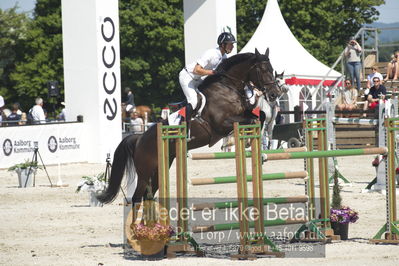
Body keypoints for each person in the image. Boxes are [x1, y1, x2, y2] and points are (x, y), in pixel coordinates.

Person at [179, 32, 236, 139]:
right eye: (230, 44)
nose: (232, 46)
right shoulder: (211, 53)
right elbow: (197, 69)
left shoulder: (224, 57)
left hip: (197, 79)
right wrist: (213, 73)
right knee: (194, 101)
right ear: (222, 44)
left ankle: (184, 106)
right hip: (187, 77)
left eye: (232, 44)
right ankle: (185, 131)